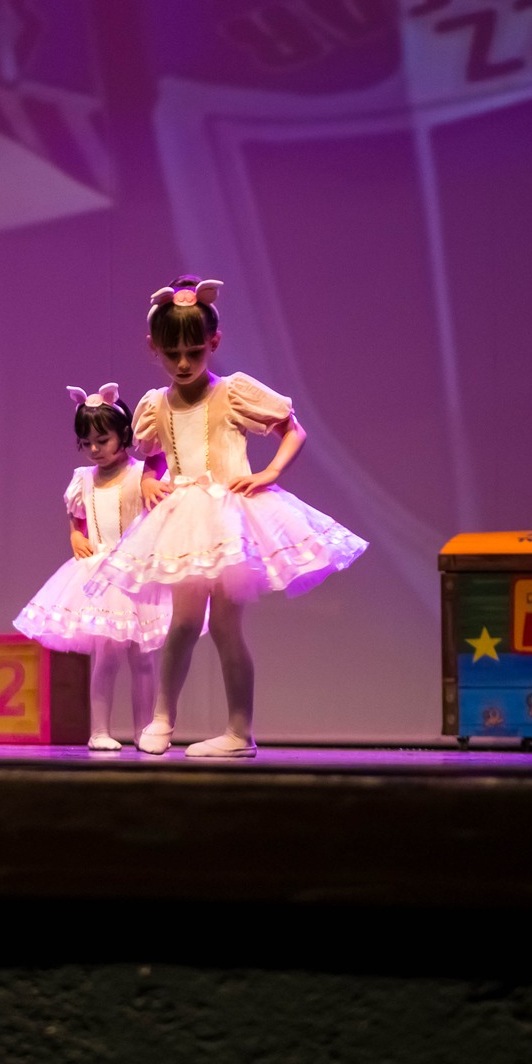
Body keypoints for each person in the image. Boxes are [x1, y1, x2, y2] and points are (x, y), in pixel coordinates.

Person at [99, 279, 366, 758]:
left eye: (194, 352)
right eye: (173, 354)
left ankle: (240, 732)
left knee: (225, 627)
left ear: (214, 342)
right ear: (154, 348)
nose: (184, 363)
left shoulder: (231, 392)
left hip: (227, 518)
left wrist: (269, 473)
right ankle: (162, 717)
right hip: (184, 520)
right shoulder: (155, 405)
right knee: (183, 622)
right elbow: (153, 457)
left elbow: (293, 429)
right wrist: (148, 482)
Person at [14, 384, 169, 751]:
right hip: (100, 576)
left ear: (124, 435)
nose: (95, 449)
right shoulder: (83, 478)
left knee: (143, 659)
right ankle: (98, 731)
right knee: (106, 657)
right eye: (87, 443)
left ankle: (144, 732)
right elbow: (77, 517)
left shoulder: (141, 474)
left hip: (135, 574)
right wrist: (75, 535)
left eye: (103, 440)